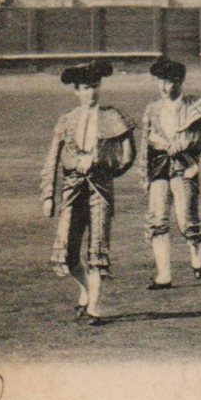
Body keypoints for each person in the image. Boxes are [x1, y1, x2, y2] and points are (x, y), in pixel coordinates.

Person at [41, 61, 137, 326]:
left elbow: (128, 156)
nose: (91, 92)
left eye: (95, 86)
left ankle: (94, 306)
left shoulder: (113, 117)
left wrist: (101, 165)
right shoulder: (66, 120)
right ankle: (85, 290)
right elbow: (52, 159)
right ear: (76, 91)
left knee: (97, 249)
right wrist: (48, 194)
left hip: (100, 188)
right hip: (72, 189)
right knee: (68, 255)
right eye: (85, 88)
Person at [141, 57, 201, 289]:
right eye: (160, 82)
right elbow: (146, 143)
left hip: (184, 165)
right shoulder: (152, 109)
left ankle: (196, 249)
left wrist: (183, 143)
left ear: (180, 82)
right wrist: (144, 175)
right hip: (159, 166)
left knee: (186, 220)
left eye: (169, 82)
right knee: (158, 220)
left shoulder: (195, 106)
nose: (164, 87)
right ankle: (164, 274)